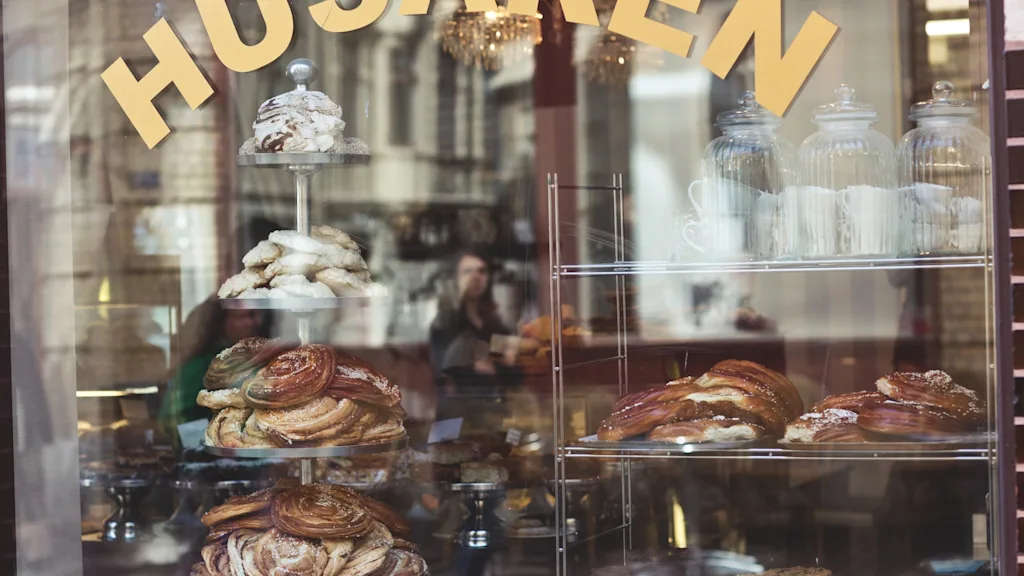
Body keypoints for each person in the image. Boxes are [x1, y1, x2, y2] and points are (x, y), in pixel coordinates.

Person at [428, 250, 518, 423]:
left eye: (482, 271)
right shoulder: (445, 324)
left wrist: (493, 363)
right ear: (455, 279)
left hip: (494, 416)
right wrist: (490, 362)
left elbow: (511, 371)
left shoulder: (494, 325)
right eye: (468, 271)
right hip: (455, 419)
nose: (476, 277)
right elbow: (449, 371)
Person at [158, 296, 266, 435]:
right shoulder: (199, 366)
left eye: (256, 315)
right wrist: (209, 439)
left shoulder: (257, 360)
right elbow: (172, 420)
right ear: (221, 323)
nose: (253, 322)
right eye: (244, 316)